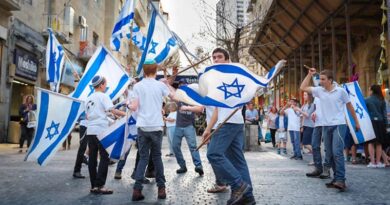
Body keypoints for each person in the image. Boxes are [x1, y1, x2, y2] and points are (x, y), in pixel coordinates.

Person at [202, 48, 255, 205]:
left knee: (213, 154)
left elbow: (247, 90)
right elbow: (217, 109)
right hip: (229, 122)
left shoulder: (232, 76)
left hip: (230, 122)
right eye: (214, 57)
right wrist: (207, 129)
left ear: (227, 59)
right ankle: (248, 197)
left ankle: (239, 185)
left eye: (219, 57)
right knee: (238, 161)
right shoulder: (216, 78)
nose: (216, 60)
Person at [301, 68, 360, 191]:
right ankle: (335, 178)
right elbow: (303, 87)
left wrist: (357, 123)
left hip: (339, 124)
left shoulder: (341, 91)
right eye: (320, 79)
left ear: (330, 80)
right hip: (326, 126)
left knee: (337, 152)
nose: (320, 81)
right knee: (330, 153)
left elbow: (350, 107)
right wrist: (309, 75)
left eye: (323, 79)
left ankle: (341, 180)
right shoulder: (319, 91)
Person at [129, 59, 175, 201]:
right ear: (156, 71)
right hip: (156, 126)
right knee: (157, 157)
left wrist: (128, 104)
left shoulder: (138, 86)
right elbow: (174, 96)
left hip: (142, 126)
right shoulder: (160, 86)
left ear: (144, 71)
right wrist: (167, 84)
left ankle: (137, 190)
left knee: (143, 158)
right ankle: (161, 189)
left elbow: (134, 107)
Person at [85, 75, 126, 194]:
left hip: (90, 130)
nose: (106, 86)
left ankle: (94, 186)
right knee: (104, 156)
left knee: (92, 157)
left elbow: (89, 115)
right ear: (101, 84)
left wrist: (113, 117)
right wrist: (125, 114)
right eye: (105, 84)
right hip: (101, 130)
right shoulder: (103, 96)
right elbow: (112, 110)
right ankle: (101, 185)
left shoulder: (88, 98)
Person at [172, 79, 204, 176]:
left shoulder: (192, 98)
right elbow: (169, 88)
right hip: (178, 126)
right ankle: (182, 166)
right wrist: (168, 76)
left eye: (184, 86)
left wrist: (187, 108)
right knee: (175, 146)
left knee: (193, 147)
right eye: (181, 86)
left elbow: (200, 108)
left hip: (189, 126)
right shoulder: (179, 98)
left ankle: (199, 166)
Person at [365, 84, 388, 168]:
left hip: (371, 122)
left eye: (369, 89)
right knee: (379, 143)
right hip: (381, 122)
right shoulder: (382, 100)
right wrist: (386, 124)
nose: (369, 91)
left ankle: (372, 162)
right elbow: (384, 114)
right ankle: (378, 162)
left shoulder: (367, 100)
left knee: (371, 142)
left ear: (372, 90)